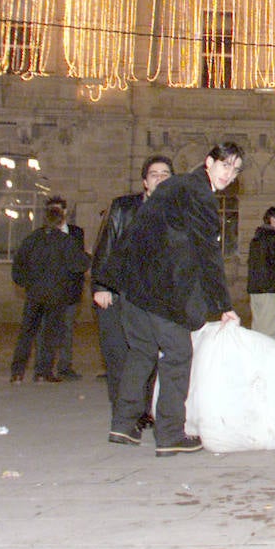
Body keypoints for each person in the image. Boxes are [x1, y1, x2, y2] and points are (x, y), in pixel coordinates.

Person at [107, 142, 243, 456]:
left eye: (235, 170)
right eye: (225, 166)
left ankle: (123, 424)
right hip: (161, 289)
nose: (229, 175)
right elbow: (208, 254)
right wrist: (223, 306)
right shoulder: (200, 194)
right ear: (209, 162)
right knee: (178, 355)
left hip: (133, 286)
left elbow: (136, 231)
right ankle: (169, 434)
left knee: (141, 352)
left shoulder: (174, 185)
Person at [90, 154, 172, 428]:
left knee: (148, 356)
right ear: (145, 182)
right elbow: (106, 245)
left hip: (152, 298)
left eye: (165, 174)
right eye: (154, 174)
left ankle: (144, 410)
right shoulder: (123, 207)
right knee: (119, 357)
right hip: (117, 293)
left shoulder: (177, 213)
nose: (160, 177)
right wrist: (102, 286)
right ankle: (124, 414)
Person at [10, 198, 91, 383]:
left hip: (34, 293)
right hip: (56, 294)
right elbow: (79, 264)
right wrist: (88, 256)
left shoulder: (32, 239)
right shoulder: (65, 241)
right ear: (61, 220)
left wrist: (23, 282)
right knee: (50, 333)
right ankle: (43, 371)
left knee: (27, 333)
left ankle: (17, 371)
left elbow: (18, 263)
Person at [50, 197, 87, 381]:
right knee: (47, 330)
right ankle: (45, 368)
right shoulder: (42, 234)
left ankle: (64, 366)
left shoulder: (76, 233)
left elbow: (78, 260)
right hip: (48, 291)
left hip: (69, 291)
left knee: (66, 329)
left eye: (58, 210)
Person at [247, 206, 275, 338]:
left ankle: (256, 357)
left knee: (258, 329)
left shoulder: (257, 237)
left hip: (255, 289)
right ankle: (265, 358)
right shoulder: (273, 237)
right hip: (268, 289)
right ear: (273, 220)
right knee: (269, 332)